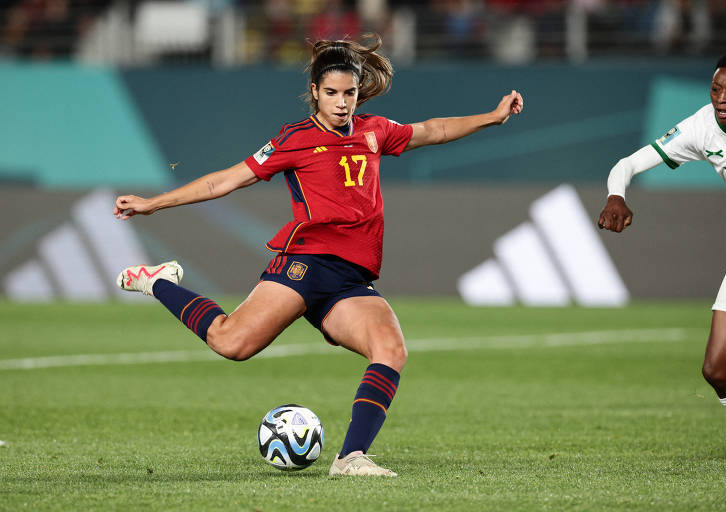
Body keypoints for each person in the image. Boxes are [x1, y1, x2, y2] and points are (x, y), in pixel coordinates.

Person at [113, 34, 524, 477]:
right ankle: (157, 282)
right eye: (331, 93)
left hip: (350, 280)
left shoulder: (374, 130)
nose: (342, 102)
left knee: (390, 348)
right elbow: (224, 181)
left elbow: (433, 130)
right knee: (230, 343)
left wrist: (493, 117)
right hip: (305, 265)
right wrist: (154, 203)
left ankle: (350, 459)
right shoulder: (295, 139)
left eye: (349, 92)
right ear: (315, 92)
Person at [598, 51, 726, 464]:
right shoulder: (702, 126)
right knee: (717, 369)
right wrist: (616, 194)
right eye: (716, 88)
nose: (722, 98)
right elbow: (629, 163)